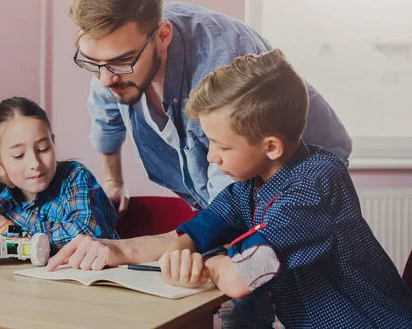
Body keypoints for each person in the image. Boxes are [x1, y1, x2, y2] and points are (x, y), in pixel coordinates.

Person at [65, 0, 352, 326]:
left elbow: (240, 264)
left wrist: (209, 261)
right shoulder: (113, 59)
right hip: (249, 184)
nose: (105, 78)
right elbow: (197, 229)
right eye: (94, 63)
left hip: (294, 177)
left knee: (293, 291)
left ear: (162, 36)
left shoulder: (222, 59)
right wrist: (116, 237)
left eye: (120, 62)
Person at [156, 49, 412, 328]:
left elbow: (240, 277)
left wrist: (208, 260)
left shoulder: (314, 187)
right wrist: (180, 254)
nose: (211, 156)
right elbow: (199, 229)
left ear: (271, 147)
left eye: (222, 146)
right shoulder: (252, 183)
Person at [0, 97, 118, 252]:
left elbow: (89, 233)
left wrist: (12, 232)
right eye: (18, 155)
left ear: (53, 142)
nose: (34, 164)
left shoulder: (75, 178)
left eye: (43, 149)